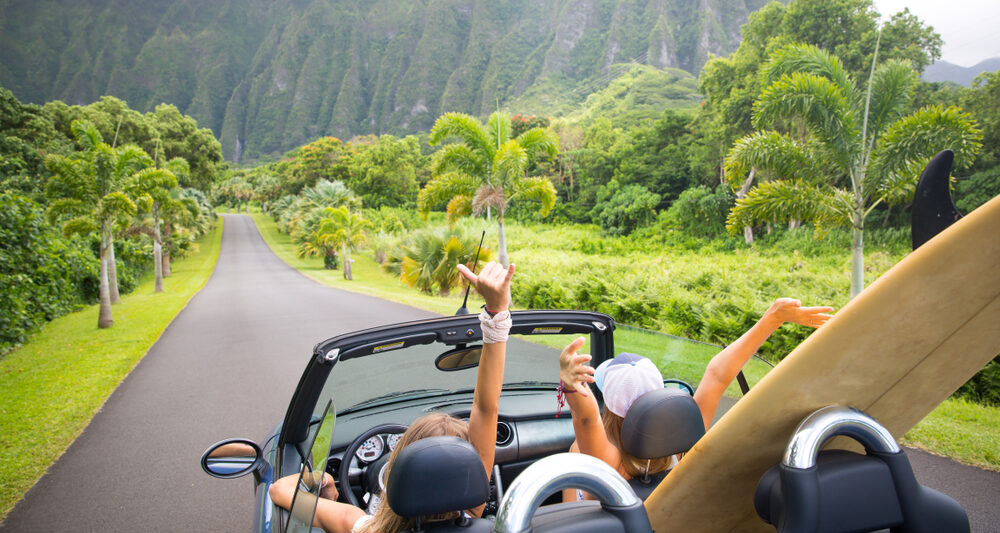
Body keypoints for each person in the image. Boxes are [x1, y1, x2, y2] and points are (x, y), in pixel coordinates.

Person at [269, 261, 516, 533]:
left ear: (395, 475)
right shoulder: (477, 512)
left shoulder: (364, 527)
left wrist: (323, 479)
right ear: (471, 476)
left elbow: (280, 490)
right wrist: (496, 311)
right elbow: (485, 408)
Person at [557, 298, 834, 501]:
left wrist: (570, 385)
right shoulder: (681, 445)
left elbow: (586, 418)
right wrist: (772, 318)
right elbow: (717, 375)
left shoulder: (600, 458)